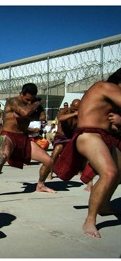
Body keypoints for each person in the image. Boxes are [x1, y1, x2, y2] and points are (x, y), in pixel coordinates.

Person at [53, 68, 121, 238]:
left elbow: (109, 123)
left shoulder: (109, 97)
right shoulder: (106, 86)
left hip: (105, 136)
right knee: (109, 172)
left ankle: (104, 205)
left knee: (118, 173)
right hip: (89, 135)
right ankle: (90, 220)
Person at [0, 83, 56, 201]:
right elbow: (25, 113)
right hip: (8, 135)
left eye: (32, 100)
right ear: (21, 94)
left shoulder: (30, 105)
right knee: (2, 158)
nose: (29, 103)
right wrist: (36, 104)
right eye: (27, 100)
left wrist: (31, 110)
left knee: (49, 161)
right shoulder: (12, 101)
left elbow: (42, 117)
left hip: (23, 137)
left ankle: (40, 185)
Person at [47, 99, 80, 181]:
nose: (76, 111)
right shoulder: (64, 111)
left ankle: (79, 170)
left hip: (71, 136)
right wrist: (74, 114)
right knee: (57, 151)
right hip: (61, 136)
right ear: (71, 106)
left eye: (77, 109)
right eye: (74, 109)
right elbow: (60, 118)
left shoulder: (81, 114)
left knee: (80, 152)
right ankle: (50, 171)